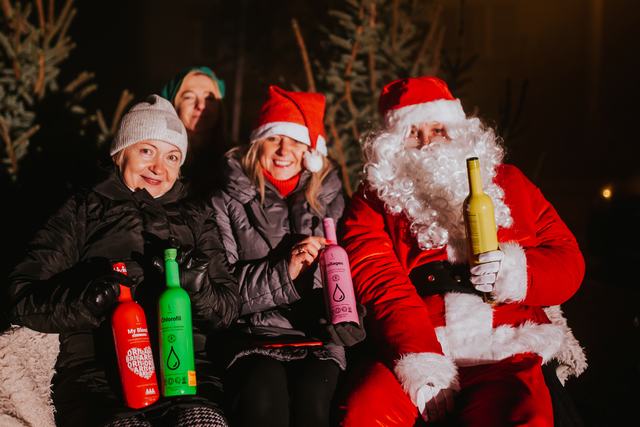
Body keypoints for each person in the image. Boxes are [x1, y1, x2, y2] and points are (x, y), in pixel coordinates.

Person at [340, 76, 585, 427]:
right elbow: (378, 280)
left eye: (438, 130)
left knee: (525, 417)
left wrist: (516, 272)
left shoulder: (510, 182)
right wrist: (422, 360)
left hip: (506, 348)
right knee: (364, 414)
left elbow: (567, 259)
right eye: (412, 133)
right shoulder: (373, 200)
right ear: (392, 145)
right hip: (417, 345)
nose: (427, 143)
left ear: (459, 132)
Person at [7, 95, 238, 427]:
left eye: (172, 157)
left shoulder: (196, 216)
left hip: (187, 380)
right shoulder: (83, 209)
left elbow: (228, 310)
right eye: (147, 151)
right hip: (100, 380)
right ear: (120, 153)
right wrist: (87, 300)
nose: (159, 167)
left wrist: (199, 289)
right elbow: (21, 296)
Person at [209, 85, 365, 427]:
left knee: (315, 404)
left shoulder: (331, 199)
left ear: (310, 152)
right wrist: (286, 271)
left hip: (320, 340)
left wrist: (351, 313)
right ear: (257, 143)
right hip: (252, 338)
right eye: (274, 139)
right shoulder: (226, 199)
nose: (284, 151)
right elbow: (219, 291)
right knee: (264, 400)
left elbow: (353, 275)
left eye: (295, 142)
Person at [161, 66, 228, 197]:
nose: (201, 105)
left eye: (209, 98)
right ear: (174, 105)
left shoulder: (234, 162)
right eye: (189, 97)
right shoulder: (158, 160)